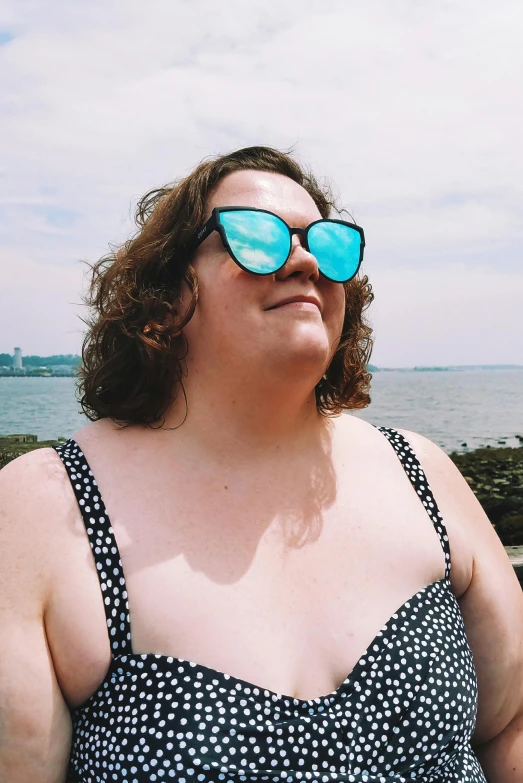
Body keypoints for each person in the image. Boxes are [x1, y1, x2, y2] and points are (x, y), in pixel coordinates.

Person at [0, 146, 522, 783]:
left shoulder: (424, 471)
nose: (304, 260)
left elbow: (510, 724)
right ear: (165, 296)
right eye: (255, 235)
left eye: (328, 246)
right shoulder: (41, 508)